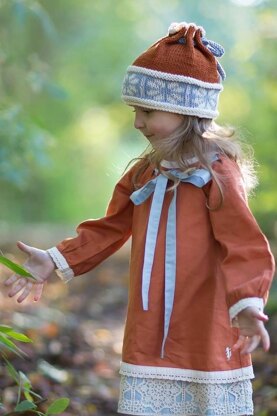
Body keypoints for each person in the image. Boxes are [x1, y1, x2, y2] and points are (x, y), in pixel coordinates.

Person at [5, 21, 275, 416]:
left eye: (147, 111)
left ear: (185, 110)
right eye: (136, 111)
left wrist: (248, 304)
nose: (137, 122)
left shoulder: (217, 171)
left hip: (206, 318)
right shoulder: (143, 173)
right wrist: (55, 259)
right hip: (149, 324)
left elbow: (244, 242)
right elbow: (109, 227)